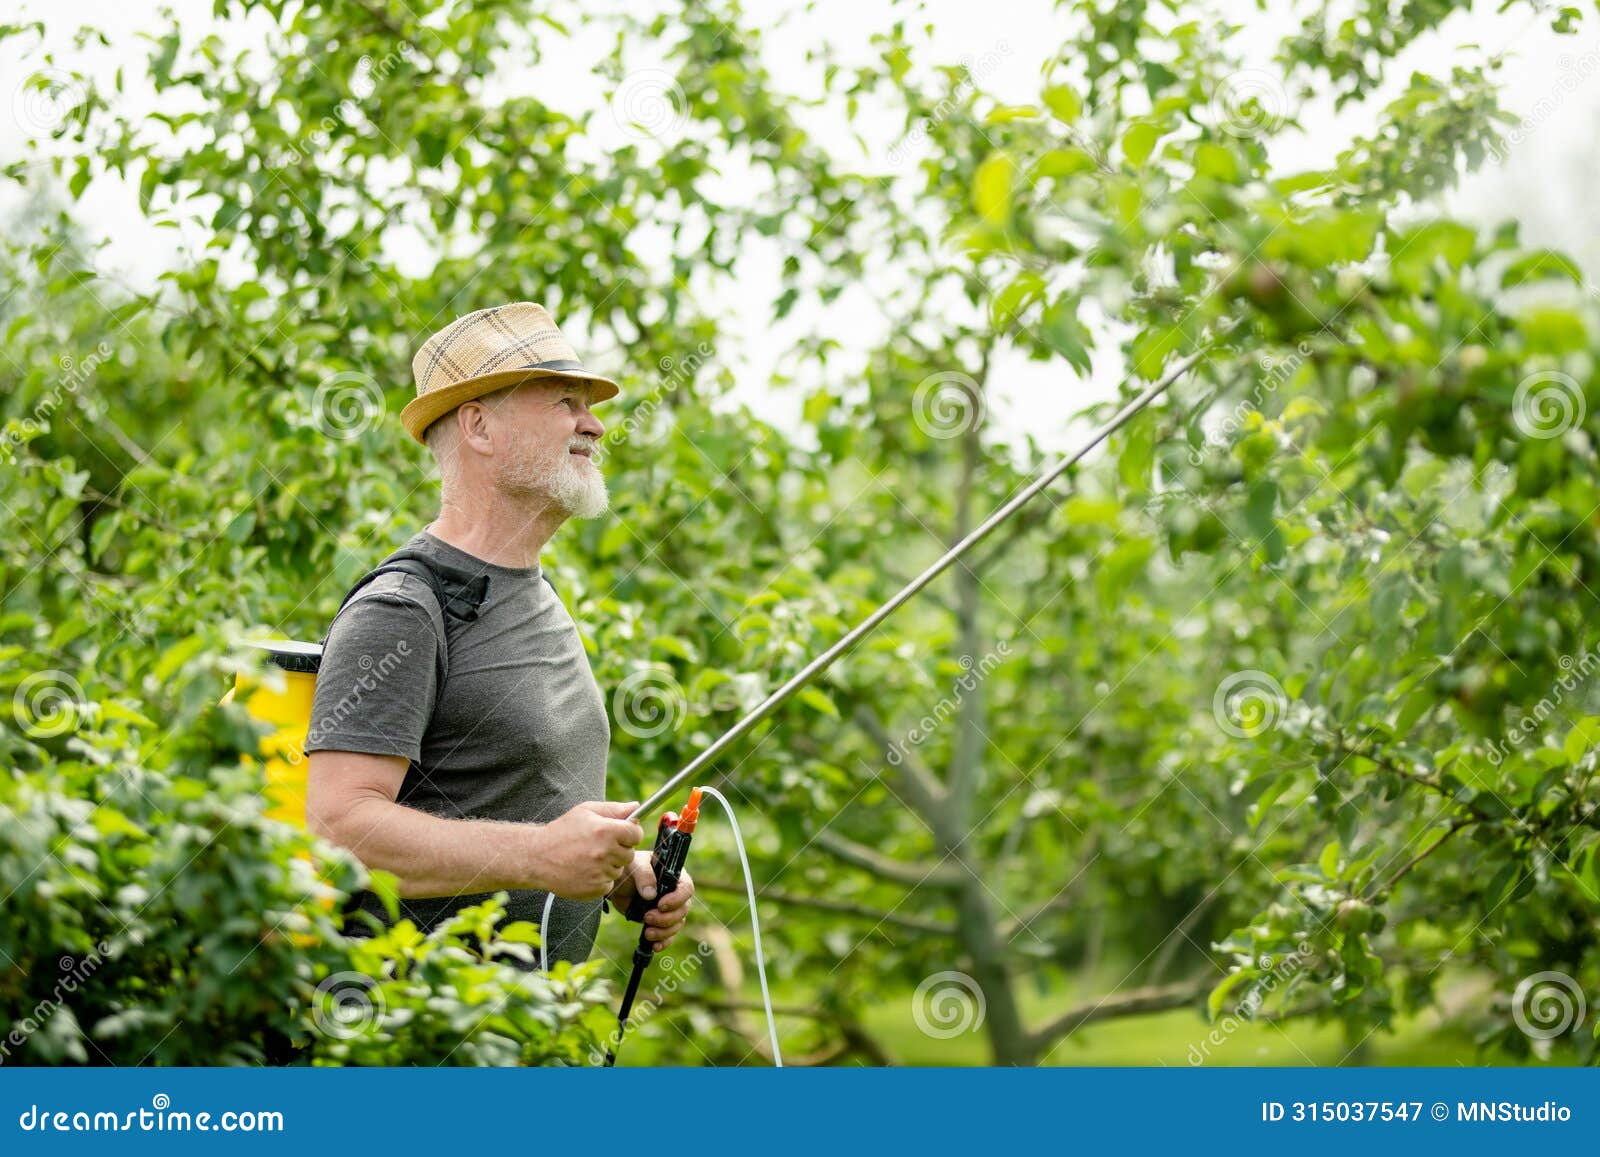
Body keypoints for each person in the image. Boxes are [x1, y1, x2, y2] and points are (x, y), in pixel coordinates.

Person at [304, 301, 693, 969]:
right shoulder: (401, 610)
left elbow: (515, 790)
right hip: (422, 1041)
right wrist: (541, 857)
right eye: (566, 401)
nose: (595, 424)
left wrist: (619, 874)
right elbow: (339, 832)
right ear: (479, 424)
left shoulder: (534, 591)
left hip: (529, 1040)